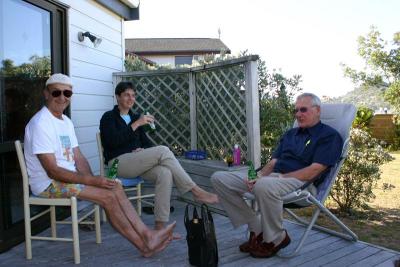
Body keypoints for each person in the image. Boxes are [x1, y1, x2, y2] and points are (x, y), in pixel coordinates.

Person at [24, 73, 175, 257]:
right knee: (108, 197)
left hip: (68, 179)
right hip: (48, 184)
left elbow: (78, 158)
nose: (62, 98)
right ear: (46, 94)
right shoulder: (41, 123)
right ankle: (144, 246)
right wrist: (92, 181)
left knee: (115, 186)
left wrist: (95, 180)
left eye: (67, 93)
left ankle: (147, 234)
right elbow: (53, 171)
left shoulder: (66, 122)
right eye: (56, 93)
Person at [211, 93, 343, 258]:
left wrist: (277, 179)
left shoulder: (329, 136)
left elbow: (314, 170)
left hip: (301, 183)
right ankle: (257, 228)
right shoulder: (290, 134)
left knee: (264, 185)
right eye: (296, 111)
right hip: (272, 179)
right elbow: (273, 163)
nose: (298, 114)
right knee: (220, 178)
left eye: (303, 110)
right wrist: (257, 178)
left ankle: (276, 238)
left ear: (317, 111)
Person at [99, 81, 218, 230]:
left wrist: (142, 150)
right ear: (117, 97)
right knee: (163, 150)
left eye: (133, 95)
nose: (131, 99)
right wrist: (136, 124)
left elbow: (147, 144)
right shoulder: (108, 117)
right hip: (117, 163)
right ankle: (195, 191)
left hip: (137, 163)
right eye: (126, 95)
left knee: (165, 173)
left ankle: (160, 226)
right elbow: (112, 143)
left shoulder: (136, 117)